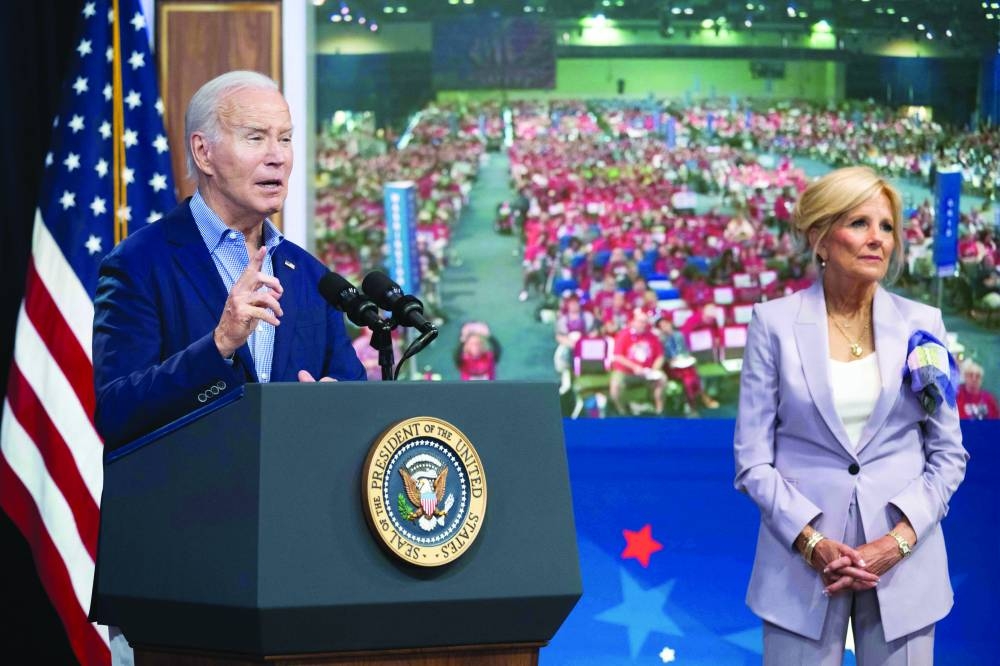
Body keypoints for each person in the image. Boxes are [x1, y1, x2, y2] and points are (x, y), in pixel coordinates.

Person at [91, 71, 366, 664]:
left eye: (287, 139)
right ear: (203, 152)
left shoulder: (307, 273)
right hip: (180, 578)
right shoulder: (138, 265)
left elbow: (347, 389)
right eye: (256, 138)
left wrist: (329, 407)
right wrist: (217, 345)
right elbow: (115, 411)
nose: (278, 158)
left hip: (298, 572)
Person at [733, 166, 968, 664]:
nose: (877, 239)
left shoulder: (922, 325)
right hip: (802, 572)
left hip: (905, 570)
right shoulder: (772, 324)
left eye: (886, 227)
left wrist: (898, 542)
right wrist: (812, 542)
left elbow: (948, 455)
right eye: (859, 224)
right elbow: (753, 462)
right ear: (820, 237)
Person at [609, 308, 666, 415]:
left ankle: (660, 410)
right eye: (640, 321)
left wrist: (654, 369)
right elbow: (618, 356)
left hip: (647, 372)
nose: (643, 324)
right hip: (626, 372)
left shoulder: (652, 336)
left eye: (645, 322)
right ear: (633, 322)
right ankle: (622, 411)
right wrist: (634, 367)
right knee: (615, 386)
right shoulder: (623, 335)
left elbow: (660, 356)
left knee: (662, 379)